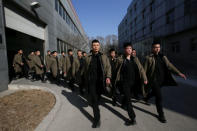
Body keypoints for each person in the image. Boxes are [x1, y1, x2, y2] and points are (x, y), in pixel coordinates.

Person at [143, 40, 187, 123]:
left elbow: (169, 65)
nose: (157, 49)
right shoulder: (148, 58)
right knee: (159, 97)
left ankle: (146, 97)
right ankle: (161, 114)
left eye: (158, 47)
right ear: (152, 48)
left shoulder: (163, 56)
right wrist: (144, 79)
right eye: (155, 47)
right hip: (154, 80)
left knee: (155, 93)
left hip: (162, 79)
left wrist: (179, 73)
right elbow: (144, 70)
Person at [115, 43, 148, 126]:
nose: (129, 49)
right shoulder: (120, 59)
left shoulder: (135, 59)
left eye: (130, 48)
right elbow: (115, 70)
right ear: (124, 50)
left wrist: (144, 78)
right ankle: (132, 118)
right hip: (125, 83)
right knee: (129, 101)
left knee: (128, 97)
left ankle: (123, 104)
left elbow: (141, 69)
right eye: (127, 48)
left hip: (134, 83)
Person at [82, 39, 111, 128]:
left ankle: (96, 108)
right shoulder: (87, 57)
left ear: (99, 46)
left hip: (101, 82)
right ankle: (97, 119)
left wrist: (108, 77)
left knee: (97, 99)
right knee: (94, 101)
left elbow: (108, 67)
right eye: (94, 45)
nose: (96, 47)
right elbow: (85, 70)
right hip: (92, 82)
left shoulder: (104, 56)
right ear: (92, 46)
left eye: (97, 45)